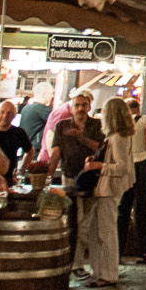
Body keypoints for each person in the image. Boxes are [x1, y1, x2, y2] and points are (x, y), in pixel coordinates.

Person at [46, 90, 105, 278]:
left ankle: (78, 262)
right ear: (71, 108)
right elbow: (56, 153)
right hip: (70, 177)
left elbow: (101, 148)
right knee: (74, 220)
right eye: (77, 105)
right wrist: (48, 176)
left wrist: (81, 137)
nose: (80, 109)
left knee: (85, 222)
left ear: (89, 107)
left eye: (83, 105)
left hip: (91, 179)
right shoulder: (62, 126)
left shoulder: (97, 125)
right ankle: (73, 263)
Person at [78, 97, 135, 288]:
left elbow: (122, 167)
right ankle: (99, 271)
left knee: (106, 232)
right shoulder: (115, 136)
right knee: (97, 231)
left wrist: (98, 165)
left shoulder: (119, 138)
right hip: (104, 188)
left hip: (109, 189)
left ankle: (108, 274)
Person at [120, 98, 146, 263]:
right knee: (141, 209)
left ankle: (118, 251)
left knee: (122, 209)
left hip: (124, 166)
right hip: (141, 166)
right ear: (138, 108)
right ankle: (143, 251)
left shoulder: (119, 123)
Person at [0, 100, 31, 183]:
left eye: (9, 113)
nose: (5, 116)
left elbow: (30, 151)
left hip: (9, 179)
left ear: (14, 116)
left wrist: (21, 171)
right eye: (2, 112)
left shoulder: (19, 132)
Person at [19, 81, 55, 154]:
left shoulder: (25, 108)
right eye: (51, 93)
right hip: (35, 150)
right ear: (44, 94)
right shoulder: (42, 109)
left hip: (25, 148)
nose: (52, 96)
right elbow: (56, 121)